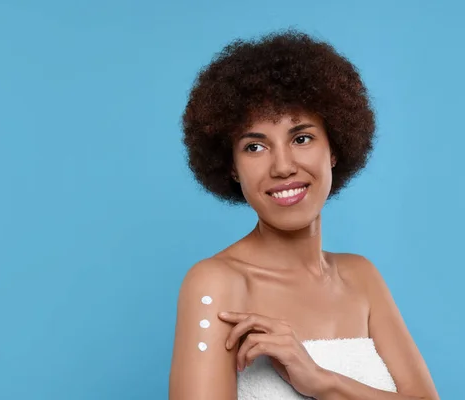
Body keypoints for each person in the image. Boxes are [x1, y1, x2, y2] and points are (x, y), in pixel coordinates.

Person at [169, 29, 440, 400]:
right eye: (254, 146)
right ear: (231, 167)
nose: (283, 166)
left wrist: (321, 381)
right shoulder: (216, 285)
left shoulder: (361, 278)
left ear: (334, 149)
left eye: (301, 138)